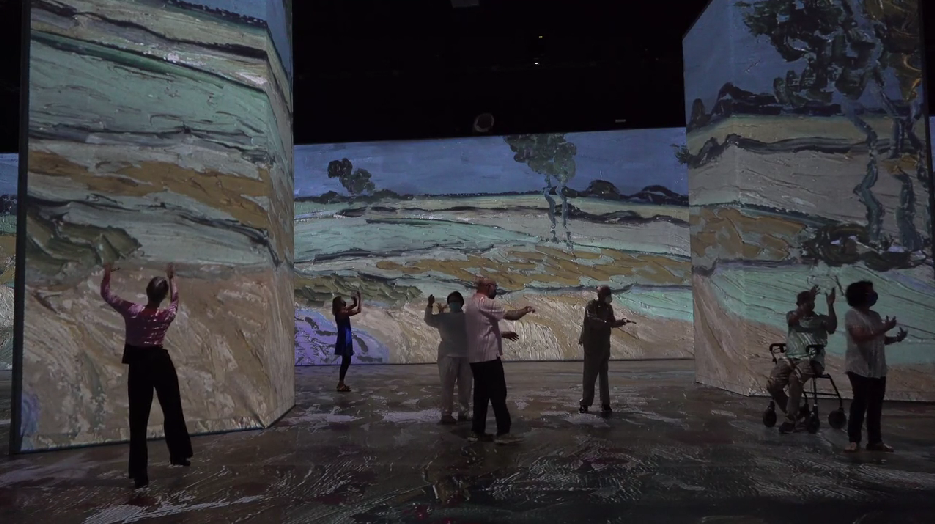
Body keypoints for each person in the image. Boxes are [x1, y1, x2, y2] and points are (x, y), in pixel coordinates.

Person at [101, 262, 192, 490]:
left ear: (147, 292)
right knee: (172, 408)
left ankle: (140, 473)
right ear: (162, 297)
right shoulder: (166, 315)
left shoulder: (132, 311)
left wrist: (107, 272)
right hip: (160, 362)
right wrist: (172, 278)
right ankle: (179, 455)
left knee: (138, 419)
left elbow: (107, 295)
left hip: (139, 365)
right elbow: (176, 301)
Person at [426, 291, 520, 425]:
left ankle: (463, 414)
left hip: (467, 357)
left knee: (466, 388)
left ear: (461, 303)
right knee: (447, 387)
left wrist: (504, 334)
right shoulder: (442, 318)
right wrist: (429, 305)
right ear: (448, 304)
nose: (454, 303)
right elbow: (428, 320)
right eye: (451, 301)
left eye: (456, 301)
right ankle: (446, 414)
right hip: (447, 357)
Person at [464, 277, 534, 444]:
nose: (496, 290)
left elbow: (481, 330)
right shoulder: (487, 302)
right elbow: (511, 316)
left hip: (475, 357)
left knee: (481, 395)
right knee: (498, 394)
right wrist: (526, 309)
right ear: (488, 287)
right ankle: (503, 433)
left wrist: (501, 334)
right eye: (495, 287)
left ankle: (477, 432)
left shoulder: (470, 303)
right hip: (489, 356)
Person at [842, 280, 908, 453]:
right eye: (870, 293)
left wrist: (896, 338)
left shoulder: (875, 316)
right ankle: (854, 440)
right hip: (858, 366)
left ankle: (875, 441)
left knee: (876, 405)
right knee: (860, 403)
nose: (873, 295)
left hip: (877, 367)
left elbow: (880, 339)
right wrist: (884, 329)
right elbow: (859, 337)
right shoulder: (852, 315)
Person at [766, 285, 837, 433]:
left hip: (812, 359)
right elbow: (793, 320)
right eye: (805, 302)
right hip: (791, 357)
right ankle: (796, 412)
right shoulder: (792, 316)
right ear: (799, 304)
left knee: (795, 378)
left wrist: (830, 305)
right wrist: (806, 300)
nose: (809, 305)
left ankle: (791, 419)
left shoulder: (820, 320)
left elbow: (832, 328)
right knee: (772, 384)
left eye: (811, 302)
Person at [577, 286, 632, 416]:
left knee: (603, 374)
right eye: (607, 295)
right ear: (600, 296)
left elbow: (612, 322)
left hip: (604, 344)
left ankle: (605, 403)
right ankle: (585, 403)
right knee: (590, 375)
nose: (609, 297)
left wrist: (622, 321)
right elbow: (593, 321)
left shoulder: (608, 308)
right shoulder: (591, 305)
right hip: (592, 344)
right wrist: (608, 323)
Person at [333, 291, 362, 393]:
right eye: (342, 300)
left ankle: (341, 383)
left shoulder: (341, 311)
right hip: (344, 338)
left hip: (344, 337)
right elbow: (358, 310)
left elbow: (353, 306)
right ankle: (340, 383)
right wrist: (360, 297)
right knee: (346, 360)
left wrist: (355, 301)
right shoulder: (342, 313)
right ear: (339, 303)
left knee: (346, 360)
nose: (343, 300)